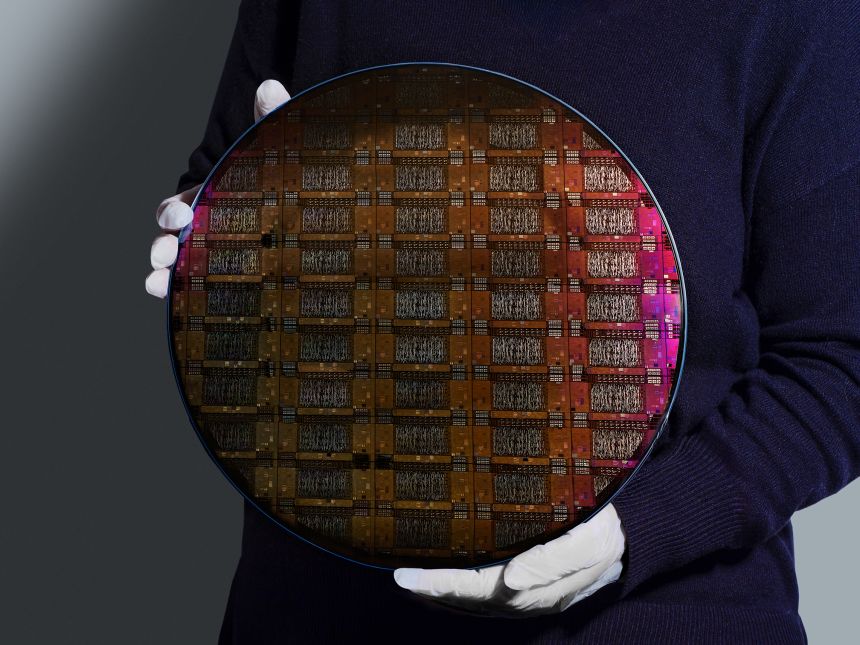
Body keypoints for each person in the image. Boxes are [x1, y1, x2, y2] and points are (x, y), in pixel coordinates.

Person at [145, 1, 860, 642]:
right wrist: (217, 243)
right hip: (319, 608)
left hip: (657, 616)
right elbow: (223, 188)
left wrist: (639, 531)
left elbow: (839, 363)